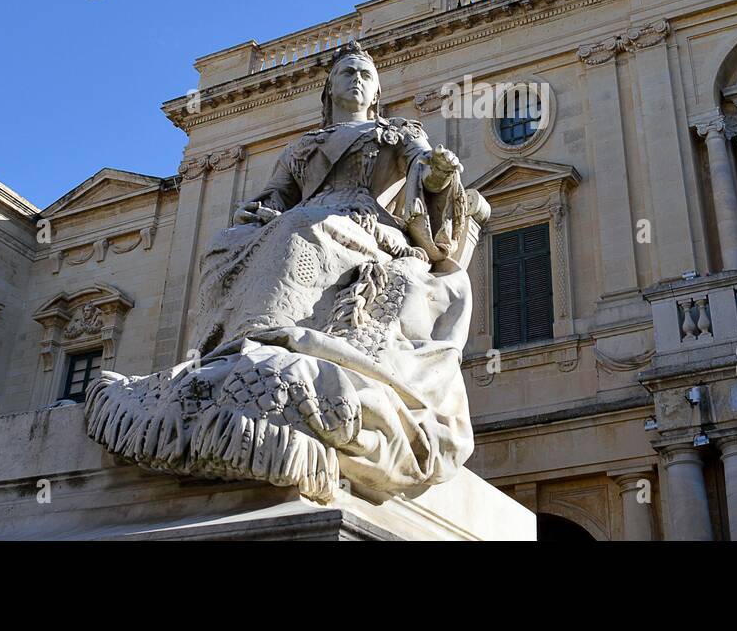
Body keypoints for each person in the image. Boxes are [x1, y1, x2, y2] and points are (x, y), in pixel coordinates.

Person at [85, 42, 486, 503]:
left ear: (376, 92)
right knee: (224, 246)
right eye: (346, 72)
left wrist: (438, 174)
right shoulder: (302, 147)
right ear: (329, 88)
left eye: (365, 74)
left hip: (368, 225)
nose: (356, 78)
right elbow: (277, 196)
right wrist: (256, 213)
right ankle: (235, 346)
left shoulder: (395, 133)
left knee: (302, 231)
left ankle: (270, 337)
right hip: (305, 218)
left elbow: (424, 176)